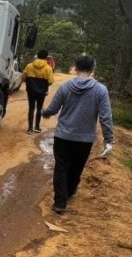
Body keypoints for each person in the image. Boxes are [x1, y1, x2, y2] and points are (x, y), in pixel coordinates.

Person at [42, 55, 114, 214]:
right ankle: (69, 192)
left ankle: (60, 202)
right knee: (76, 167)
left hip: (63, 136)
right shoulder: (101, 90)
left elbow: (53, 108)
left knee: (61, 167)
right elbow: (105, 117)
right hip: (85, 139)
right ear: (92, 68)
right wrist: (109, 139)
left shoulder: (65, 87)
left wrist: (44, 112)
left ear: (75, 68)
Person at [21, 50, 54, 134]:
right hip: (42, 91)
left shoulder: (29, 66)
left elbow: (24, 77)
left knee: (31, 108)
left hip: (31, 90)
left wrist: (28, 81)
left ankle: (30, 129)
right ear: (46, 57)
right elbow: (50, 81)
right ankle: (37, 127)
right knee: (39, 108)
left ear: (37, 56)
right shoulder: (48, 68)